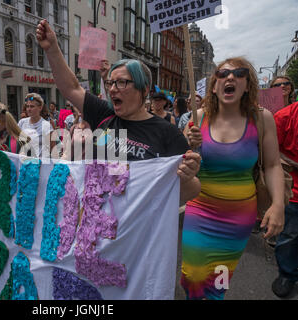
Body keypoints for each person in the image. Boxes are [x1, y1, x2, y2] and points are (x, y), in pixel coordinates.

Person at [36, 19, 200, 204]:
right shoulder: (105, 114)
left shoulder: (167, 133)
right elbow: (71, 88)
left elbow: (190, 191)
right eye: (111, 83)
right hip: (95, 224)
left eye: (122, 82)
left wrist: (187, 178)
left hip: (134, 229)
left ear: (144, 89)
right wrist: (52, 49)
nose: (113, 89)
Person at [181, 57, 285, 300]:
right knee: (193, 276)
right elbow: (179, 165)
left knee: (219, 280)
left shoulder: (262, 118)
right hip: (200, 210)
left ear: (247, 85)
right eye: (222, 73)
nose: (230, 77)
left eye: (238, 73)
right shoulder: (196, 118)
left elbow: (272, 165)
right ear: (214, 86)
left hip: (238, 220)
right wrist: (188, 147)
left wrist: (278, 205)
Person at [271, 97, 298, 298]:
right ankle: (287, 274)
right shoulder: (284, 116)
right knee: (290, 235)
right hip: (294, 192)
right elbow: (271, 155)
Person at [18, 93, 55, 158]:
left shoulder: (46, 125)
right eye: (27, 106)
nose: (29, 109)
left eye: (32, 106)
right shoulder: (22, 122)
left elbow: (53, 149)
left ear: (40, 108)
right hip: (24, 162)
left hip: (41, 164)